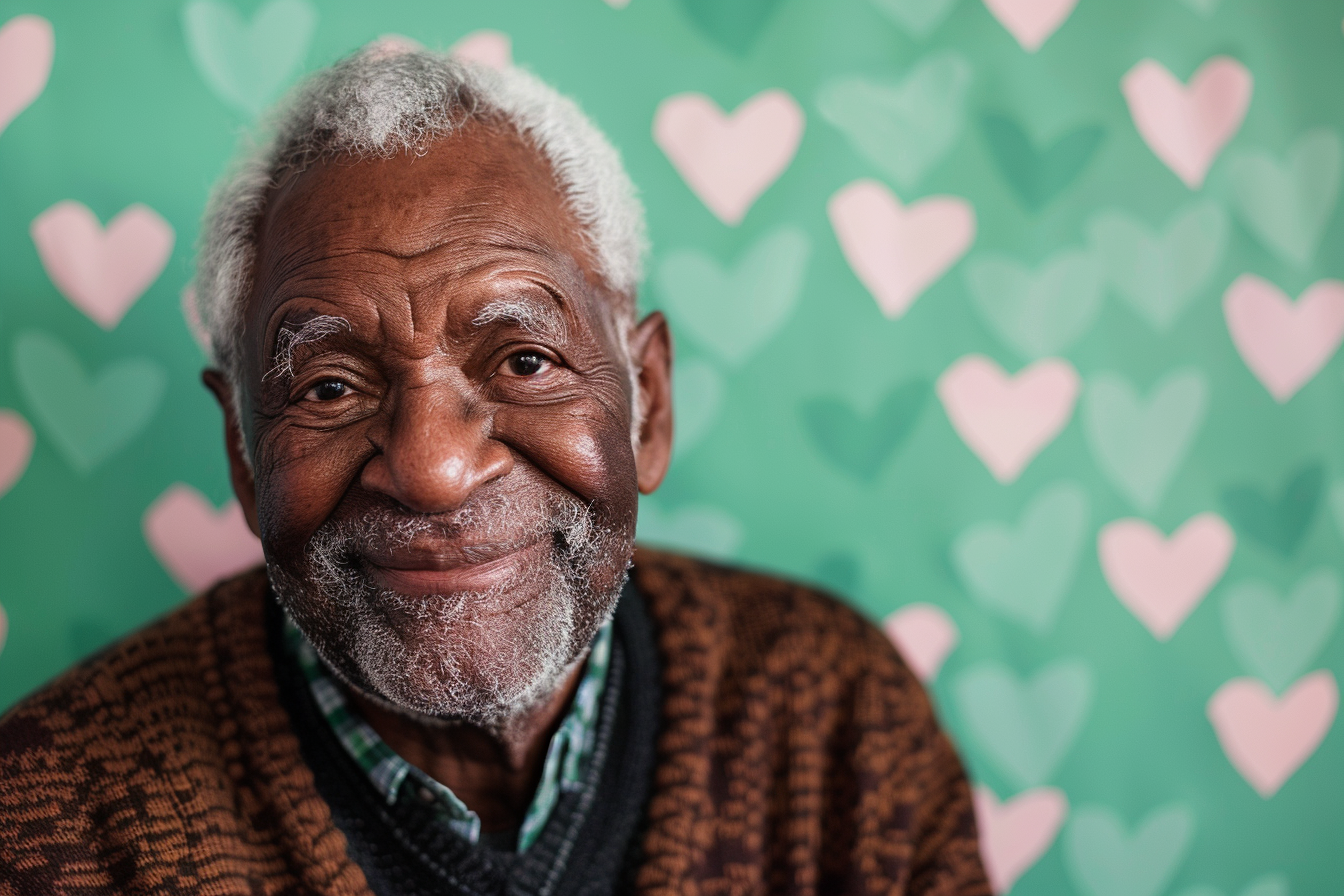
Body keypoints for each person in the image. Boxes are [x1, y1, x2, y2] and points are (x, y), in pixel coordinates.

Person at [0, 46, 989, 896]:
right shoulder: (51, 818)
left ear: (646, 397)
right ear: (243, 454)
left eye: (524, 360)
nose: (432, 469)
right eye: (332, 388)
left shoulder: (841, 725)